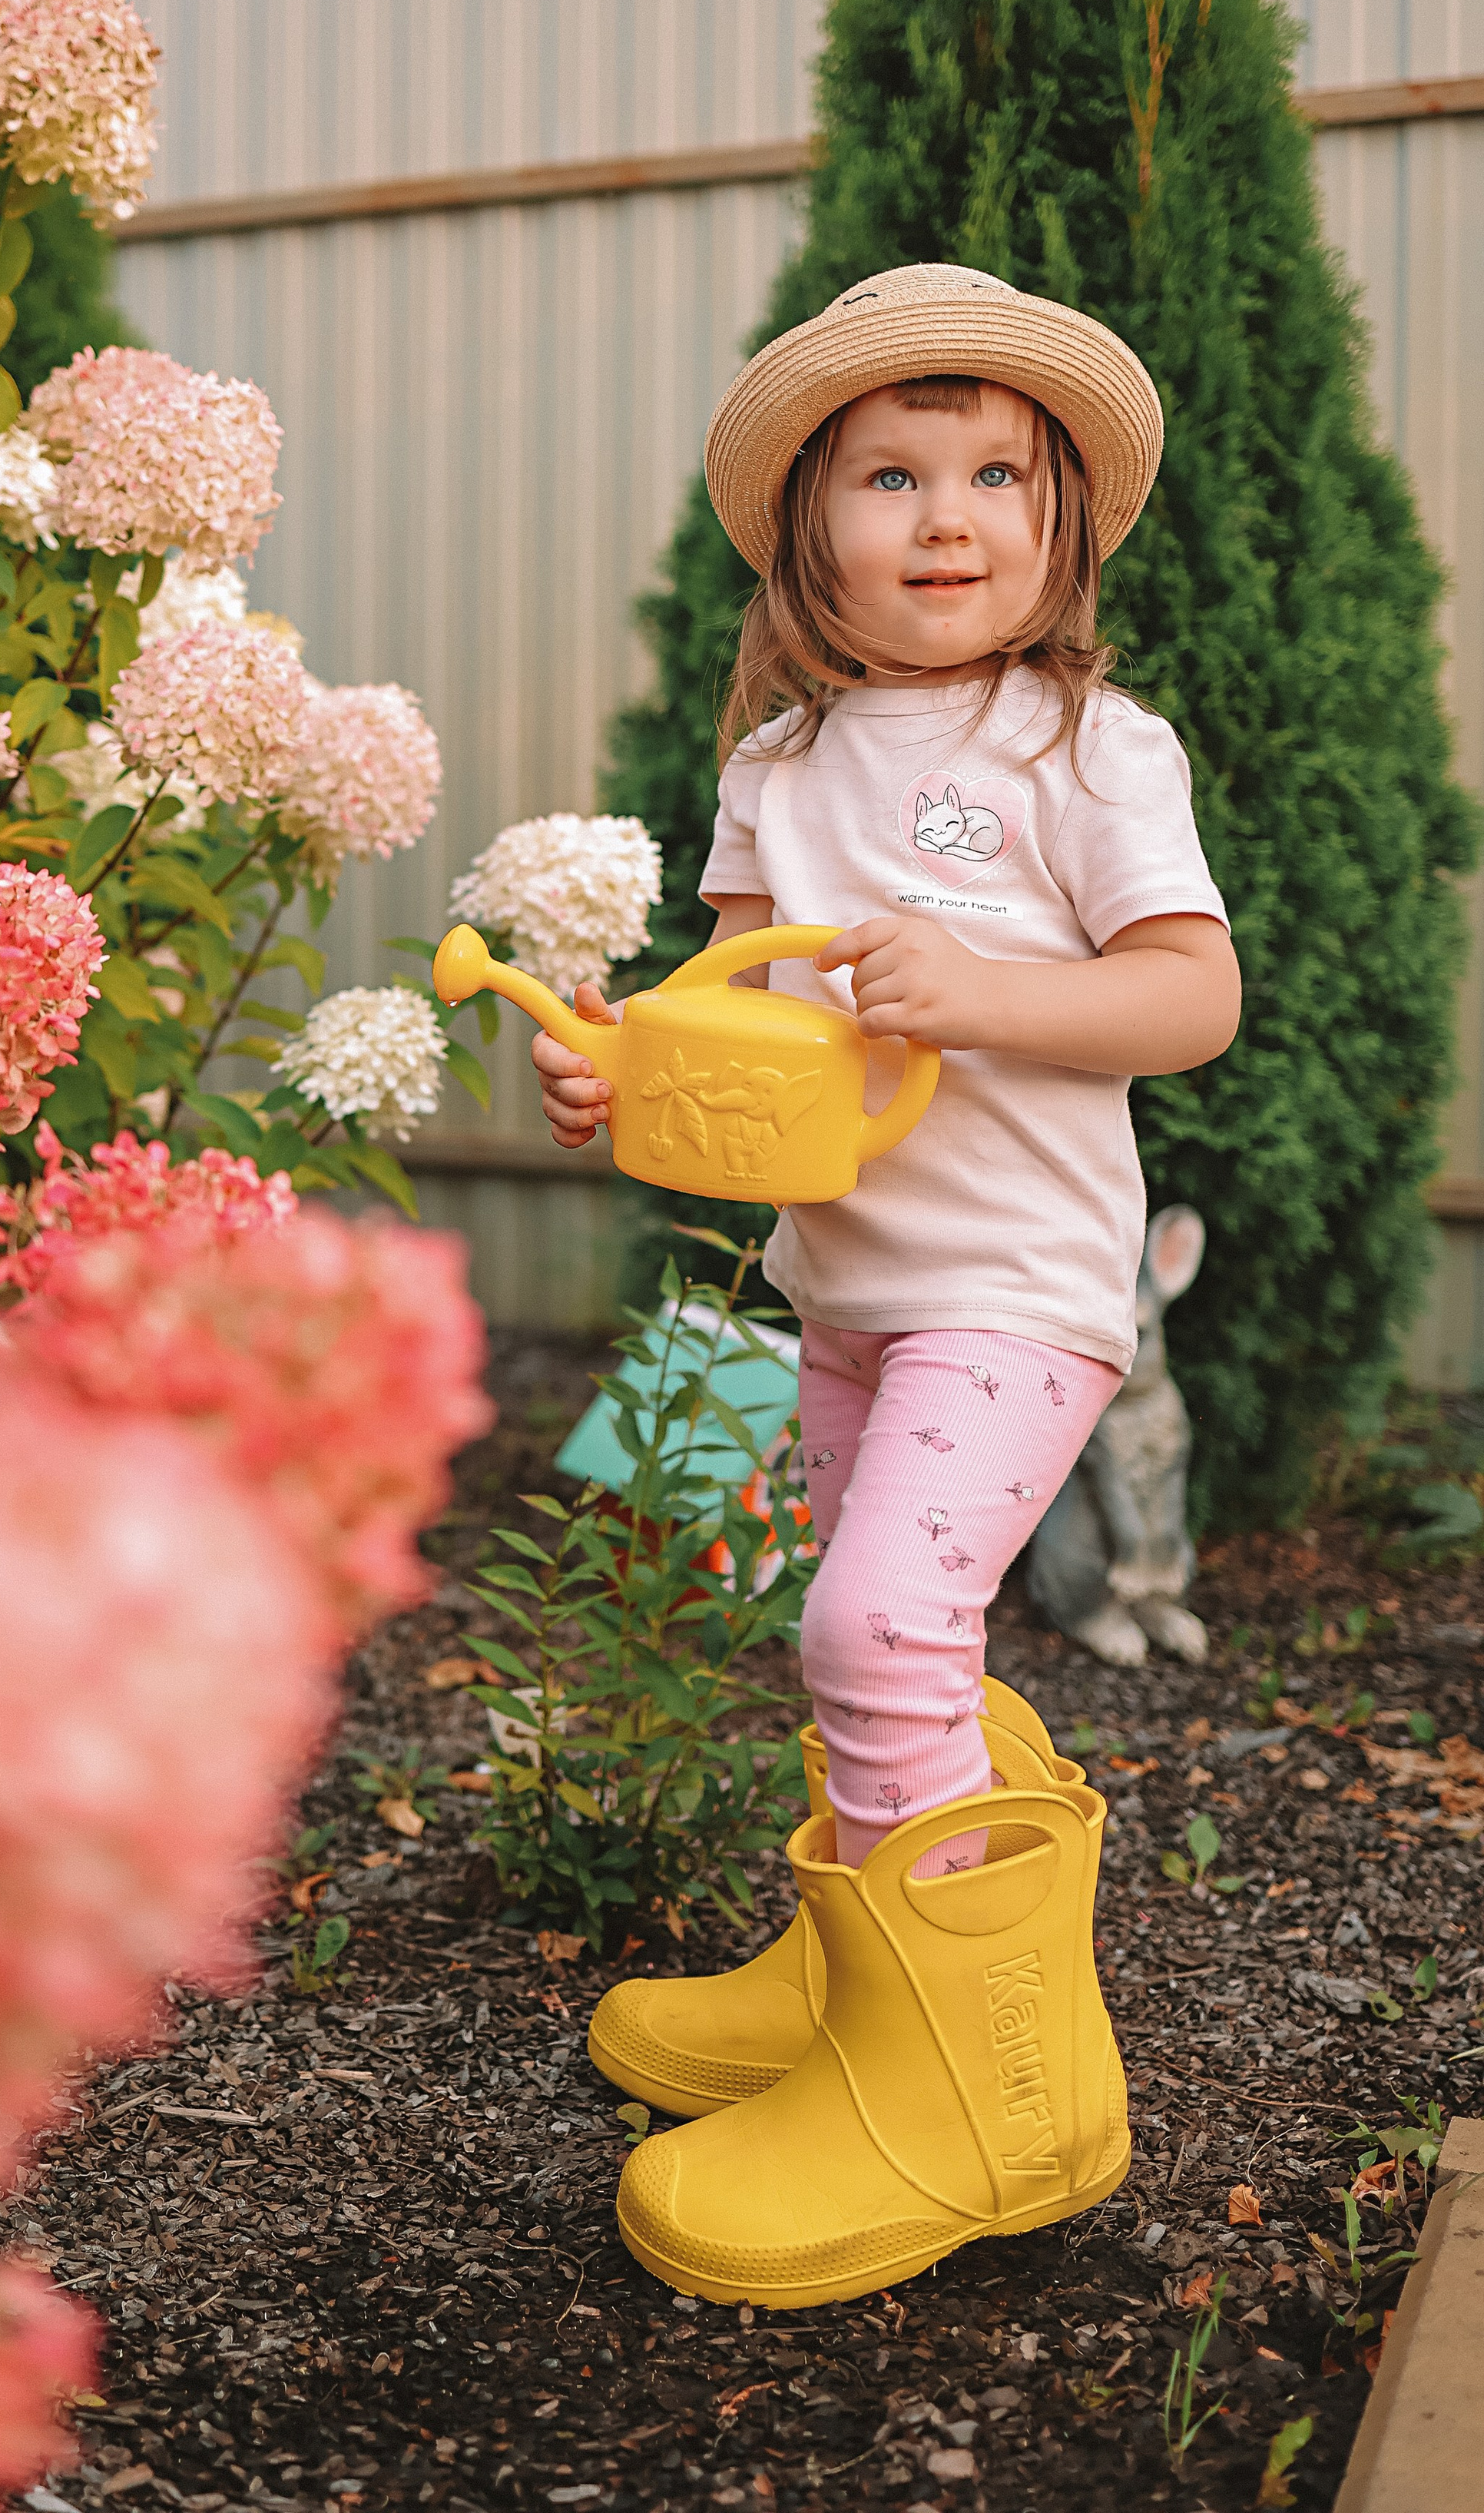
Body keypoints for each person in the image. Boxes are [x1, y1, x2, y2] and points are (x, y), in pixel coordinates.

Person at [531, 263, 1241, 2306]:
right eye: (893, 477)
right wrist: (628, 1075)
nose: (950, 517)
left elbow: (1192, 996)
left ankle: (988, 2092)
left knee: (878, 1617)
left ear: (1060, 524)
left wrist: (997, 995)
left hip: (1017, 1283)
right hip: (841, 1279)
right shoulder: (779, 763)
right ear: (803, 535)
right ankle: (861, 1981)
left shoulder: (1084, 746)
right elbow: (742, 1025)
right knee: (856, 1629)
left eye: (999, 474)